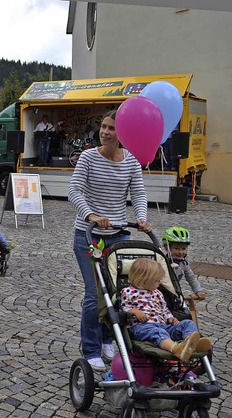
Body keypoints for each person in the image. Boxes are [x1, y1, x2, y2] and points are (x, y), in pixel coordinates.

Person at [68, 110, 152, 372]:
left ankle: (107, 338)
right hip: (89, 235)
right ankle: (91, 347)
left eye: (111, 128)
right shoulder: (88, 158)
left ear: (122, 133)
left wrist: (141, 218)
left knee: (117, 294)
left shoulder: (131, 163)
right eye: (103, 127)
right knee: (95, 294)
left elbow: (138, 193)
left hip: (119, 235)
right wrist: (91, 214)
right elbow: (74, 190)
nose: (105, 132)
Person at [120, 258, 211, 362]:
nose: (159, 283)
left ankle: (190, 343)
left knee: (188, 323)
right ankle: (175, 349)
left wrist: (170, 318)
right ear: (144, 280)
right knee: (157, 332)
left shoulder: (157, 293)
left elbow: (164, 309)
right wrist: (134, 311)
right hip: (143, 327)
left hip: (163, 325)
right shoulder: (128, 292)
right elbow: (123, 308)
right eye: (157, 280)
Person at [162, 226, 205, 299]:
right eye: (176, 248)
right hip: (161, 294)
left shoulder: (183, 264)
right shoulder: (162, 262)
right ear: (167, 248)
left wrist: (198, 291)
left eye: (183, 249)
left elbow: (191, 277)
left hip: (175, 294)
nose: (180, 252)